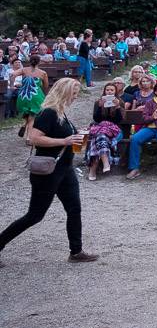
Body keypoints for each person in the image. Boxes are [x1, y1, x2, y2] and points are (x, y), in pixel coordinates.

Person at [0, 78, 98, 266]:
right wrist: (65, 141)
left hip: (64, 169)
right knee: (35, 215)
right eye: (74, 94)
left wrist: (78, 135)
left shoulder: (61, 113)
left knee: (74, 208)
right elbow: (34, 139)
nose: (75, 98)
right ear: (64, 93)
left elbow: (65, 136)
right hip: (48, 170)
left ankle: (76, 251)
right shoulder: (48, 113)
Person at [88, 83, 124, 181]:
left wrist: (117, 108)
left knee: (97, 137)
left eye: (112, 90)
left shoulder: (119, 102)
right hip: (101, 128)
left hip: (114, 129)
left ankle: (92, 170)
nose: (109, 92)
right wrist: (100, 107)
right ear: (104, 91)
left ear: (115, 91)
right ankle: (105, 162)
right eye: (107, 90)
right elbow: (96, 119)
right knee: (101, 135)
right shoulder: (98, 102)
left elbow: (119, 121)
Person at [10, 55, 49, 141]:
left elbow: (12, 75)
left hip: (23, 96)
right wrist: (45, 95)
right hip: (35, 96)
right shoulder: (43, 73)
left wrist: (11, 86)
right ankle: (28, 138)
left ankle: (24, 123)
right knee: (33, 117)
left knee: (28, 112)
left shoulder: (24, 70)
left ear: (29, 62)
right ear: (39, 62)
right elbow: (46, 87)